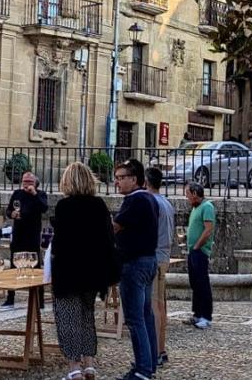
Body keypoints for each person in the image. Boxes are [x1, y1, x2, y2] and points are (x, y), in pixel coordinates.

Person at [51, 162, 118, 380]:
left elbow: (60, 243)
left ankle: (74, 368)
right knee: (87, 317)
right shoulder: (99, 205)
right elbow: (109, 238)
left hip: (69, 270)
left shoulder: (64, 206)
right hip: (93, 271)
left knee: (68, 319)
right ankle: (89, 364)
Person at [112, 158, 159, 380]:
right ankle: (149, 364)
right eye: (116, 178)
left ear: (134, 179)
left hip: (134, 264)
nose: (117, 182)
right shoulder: (150, 198)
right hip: (148, 261)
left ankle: (142, 370)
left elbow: (115, 227)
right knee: (146, 315)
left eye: (121, 178)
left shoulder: (135, 200)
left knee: (134, 318)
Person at [2, 171, 48, 308]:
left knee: (36, 267)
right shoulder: (17, 194)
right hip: (18, 235)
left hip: (32, 235)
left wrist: (34, 194)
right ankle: (10, 297)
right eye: (24, 182)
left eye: (29, 182)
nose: (26, 184)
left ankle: (39, 300)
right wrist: (12, 214)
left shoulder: (40, 195)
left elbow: (44, 208)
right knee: (13, 267)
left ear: (35, 183)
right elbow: (8, 211)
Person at [144, 167, 174, 367]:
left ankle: (155, 352)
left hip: (154, 255)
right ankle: (160, 349)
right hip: (164, 255)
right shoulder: (166, 203)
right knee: (160, 305)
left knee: (154, 306)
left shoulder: (151, 202)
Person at [185, 181, 216, 330]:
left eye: (188, 194)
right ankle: (197, 313)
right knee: (195, 283)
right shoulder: (195, 208)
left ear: (195, 193)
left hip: (200, 251)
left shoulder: (207, 207)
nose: (187, 197)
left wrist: (197, 246)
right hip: (193, 250)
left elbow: (208, 229)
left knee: (202, 283)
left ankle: (206, 316)